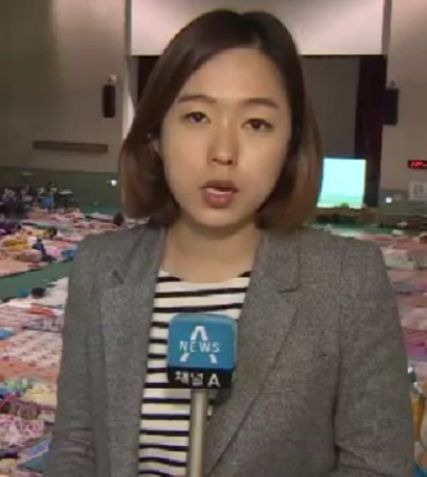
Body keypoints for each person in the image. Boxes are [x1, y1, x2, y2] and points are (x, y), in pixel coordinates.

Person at [45, 9, 413, 477]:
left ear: (290, 143)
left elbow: (377, 464)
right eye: (197, 116)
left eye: (256, 124)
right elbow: (76, 445)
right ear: (156, 134)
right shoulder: (99, 267)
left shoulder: (348, 280)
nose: (223, 152)